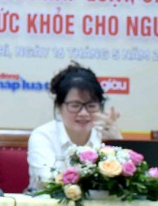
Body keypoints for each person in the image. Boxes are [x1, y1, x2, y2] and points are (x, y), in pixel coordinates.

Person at [26, 62, 122, 192]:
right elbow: (47, 181)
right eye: (75, 105)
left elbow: (123, 185)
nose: (84, 113)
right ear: (59, 106)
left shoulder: (106, 135)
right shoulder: (43, 136)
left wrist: (116, 143)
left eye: (91, 106)